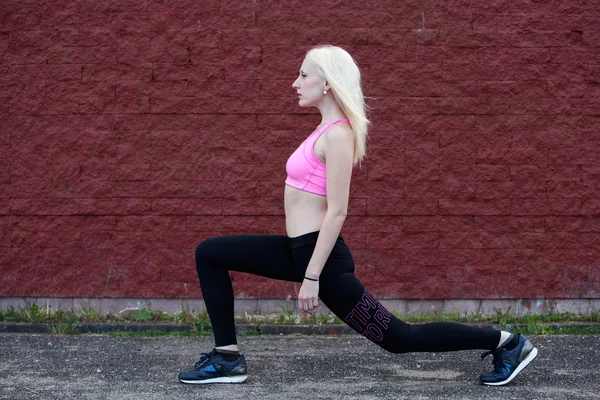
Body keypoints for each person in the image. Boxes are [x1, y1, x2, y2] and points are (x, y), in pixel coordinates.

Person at [178, 44, 538, 386]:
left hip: (322, 259)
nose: (295, 83)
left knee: (399, 338)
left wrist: (312, 277)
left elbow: (337, 211)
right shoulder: (321, 130)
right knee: (210, 252)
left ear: (328, 83)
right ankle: (227, 358)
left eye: (304, 75)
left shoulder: (339, 136)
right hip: (297, 250)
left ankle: (506, 342)